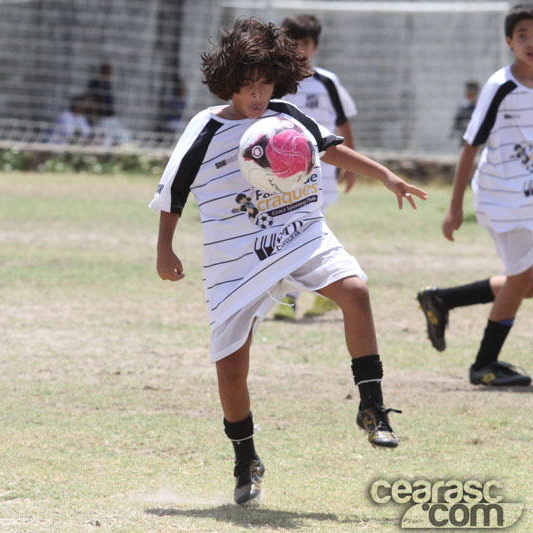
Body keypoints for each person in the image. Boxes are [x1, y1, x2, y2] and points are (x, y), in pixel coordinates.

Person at [150, 18, 426, 506]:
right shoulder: (206, 128)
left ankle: (373, 407)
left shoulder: (285, 116)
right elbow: (173, 191)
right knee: (232, 365)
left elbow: (332, 148)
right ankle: (245, 458)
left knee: (355, 291)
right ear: (228, 81)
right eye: (248, 85)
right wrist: (164, 247)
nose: (258, 95)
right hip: (235, 251)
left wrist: (387, 176)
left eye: (265, 83)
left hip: (297, 229)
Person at [417, 5, 533, 387]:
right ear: (508, 42)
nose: (530, 42)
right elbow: (470, 146)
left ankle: (443, 300)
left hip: (528, 198)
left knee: (524, 283)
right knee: (522, 278)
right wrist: (454, 207)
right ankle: (484, 365)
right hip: (504, 201)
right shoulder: (500, 87)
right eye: (522, 35)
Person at [275, 14, 359, 319]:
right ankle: (331, 288)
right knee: (293, 230)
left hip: (322, 170)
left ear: (316, 47)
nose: (300, 49)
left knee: (304, 231)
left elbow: (343, 122)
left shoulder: (327, 82)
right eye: (293, 43)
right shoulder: (276, 81)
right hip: (284, 172)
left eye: (306, 43)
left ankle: (298, 297)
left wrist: (350, 165)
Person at [86, 63, 132, 146]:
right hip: (101, 118)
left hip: (111, 117)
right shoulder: (96, 83)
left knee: (125, 135)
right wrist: (95, 117)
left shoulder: (108, 84)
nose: (110, 74)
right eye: (108, 72)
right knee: (106, 138)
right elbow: (92, 102)